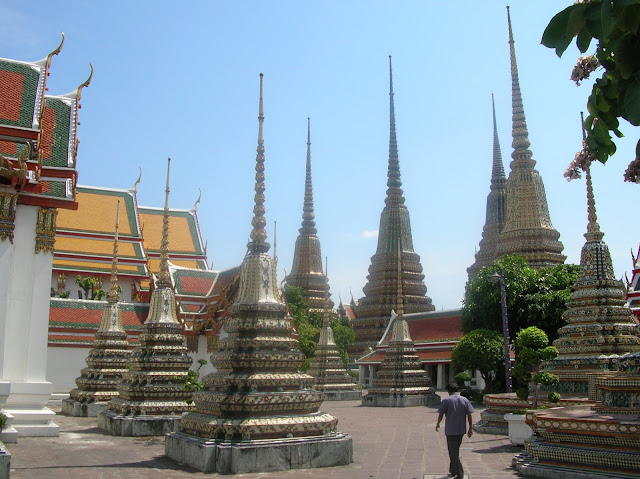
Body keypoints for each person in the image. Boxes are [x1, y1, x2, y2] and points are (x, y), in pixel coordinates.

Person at [435, 382, 474, 479]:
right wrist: (470, 428)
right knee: (454, 450)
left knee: (453, 452)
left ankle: (460, 474)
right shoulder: (464, 400)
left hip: (451, 429)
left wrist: (438, 424)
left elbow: (441, 414)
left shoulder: (446, 400)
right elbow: (469, 415)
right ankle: (453, 470)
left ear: (448, 391)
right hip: (461, 429)